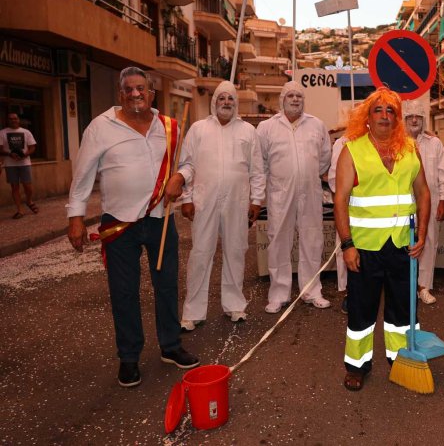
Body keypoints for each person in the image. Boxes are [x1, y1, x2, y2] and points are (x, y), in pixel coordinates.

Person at [66, 67, 199, 388]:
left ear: (151, 93)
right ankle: (128, 357)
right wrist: (75, 218)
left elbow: (188, 164)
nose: (135, 94)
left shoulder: (169, 127)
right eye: (129, 89)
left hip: (160, 218)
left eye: (141, 88)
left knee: (167, 285)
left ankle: (170, 345)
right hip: (119, 222)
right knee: (124, 292)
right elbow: (83, 174)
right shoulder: (100, 127)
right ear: (120, 93)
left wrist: (180, 178)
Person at [333, 88, 430, 391]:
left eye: (391, 110)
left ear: (397, 117)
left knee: (402, 310)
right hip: (364, 248)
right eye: (378, 110)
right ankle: (357, 366)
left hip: (403, 245)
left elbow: (423, 192)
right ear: (367, 117)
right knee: (361, 309)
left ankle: (400, 360)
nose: (385, 115)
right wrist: (347, 245)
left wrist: (423, 232)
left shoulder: (410, 149)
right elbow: (340, 200)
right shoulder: (352, 150)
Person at [165, 81, 265, 331]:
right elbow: (187, 165)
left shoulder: (248, 131)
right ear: (214, 102)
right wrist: (186, 199)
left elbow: (257, 170)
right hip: (204, 201)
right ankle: (193, 312)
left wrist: (256, 200)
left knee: (235, 251)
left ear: (236, 103)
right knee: (200, 253)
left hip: (237, 201)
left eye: (230, 98)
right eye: (222, 98)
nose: (226, 103)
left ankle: (234, 305)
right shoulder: (198, 129)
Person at [257, 81, 332, 313]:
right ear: (282, 99)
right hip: (280, 193)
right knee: (279, 241)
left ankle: (312, 291)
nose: (295, 99)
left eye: (299, 95)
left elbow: (324, 157)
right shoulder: (267, 128)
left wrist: (308, 174)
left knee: (312, 239)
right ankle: (278, 294)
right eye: (290, 95)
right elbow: (261, 161)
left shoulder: (316, 125)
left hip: (310, 191)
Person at [403, 100, 444, 304]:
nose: (414, 120)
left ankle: (424, 287)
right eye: (410, 117)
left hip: (430, 202)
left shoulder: (434, 143)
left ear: (424, 120)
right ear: (404, 119)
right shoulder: (397, 143)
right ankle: (407, 286)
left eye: (418, 117)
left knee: (429, 242)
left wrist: (443, 199)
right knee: (403, 243)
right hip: (403, 203)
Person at [1, 113, 38, 219]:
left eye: (15, 118)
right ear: (7, 120)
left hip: (24, 163)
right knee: (14, 187)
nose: (13, 120)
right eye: (11, 119)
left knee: (27, 186)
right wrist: (9, 154)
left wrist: (24, 155)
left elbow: (32, 147)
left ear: (18, 120)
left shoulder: (26, 132)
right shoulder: (2, 133)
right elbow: (0, 149)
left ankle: (29, 201)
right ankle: (19, 210)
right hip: (10, 164)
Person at [327, 135, 349, 313]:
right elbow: (334, 177)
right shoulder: (342, 142)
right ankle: (349, 292)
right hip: (350, 205)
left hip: (377, 211)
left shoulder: (383, 139)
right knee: (347, 248)